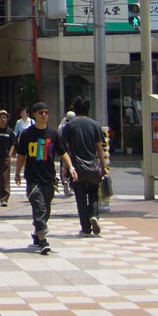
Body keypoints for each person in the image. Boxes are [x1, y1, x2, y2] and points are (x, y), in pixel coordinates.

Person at [15, 101, 76, 255]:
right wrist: (17, 173)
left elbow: (63, 152)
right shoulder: (27, 134)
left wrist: (71, 167)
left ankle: (37, 232)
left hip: (49, 178)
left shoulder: (53, 134)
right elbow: (21, 155)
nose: (44, 115)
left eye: (46, 112)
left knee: (46, 209)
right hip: (33, 178)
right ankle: (43, 241)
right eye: (41, 112)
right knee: (39, 207)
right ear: (34, 115)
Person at [61, 95, 107, 237]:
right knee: (93, 193)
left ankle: (85, 228)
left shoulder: (69, 126)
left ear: (75, 108)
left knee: (80, 197)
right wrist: (104, 166)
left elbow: (66, 149)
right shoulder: (95, 125)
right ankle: (93, 215)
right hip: (93, 166)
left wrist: (64, 168)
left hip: (77, 168)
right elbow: (100, 148)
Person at [58, 110, 76, 197]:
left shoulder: (62, 126)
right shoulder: (75, 127)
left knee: (64, 166)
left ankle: (65, 180)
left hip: (63, 151)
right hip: (73, 151)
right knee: (72, 168)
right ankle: (72, 186)